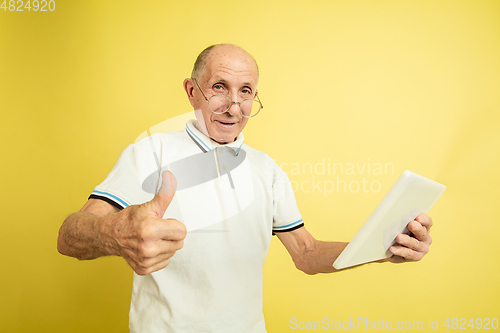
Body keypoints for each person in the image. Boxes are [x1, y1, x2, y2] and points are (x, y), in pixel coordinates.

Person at [57, 44, 433, 332]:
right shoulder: (150, 151)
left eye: (246, 91)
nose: (233, 105)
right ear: (192, 91)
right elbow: (69, 236)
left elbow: (307, 253)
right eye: (219, 87)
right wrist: (114, 234)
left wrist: (381, 246)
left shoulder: (266, 169)